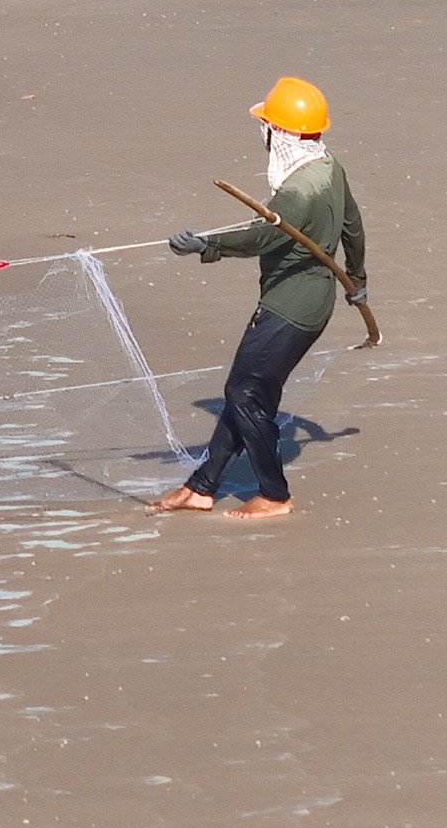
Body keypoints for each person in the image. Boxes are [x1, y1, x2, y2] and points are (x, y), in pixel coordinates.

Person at [152, 76, 367, 520]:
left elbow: (263, 236)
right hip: (316, 302)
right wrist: (358, 277)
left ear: (281, 134)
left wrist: (205, 245)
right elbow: (353, 226)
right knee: (250, 391)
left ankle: (274, 493)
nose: (263, 133)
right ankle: (201, 487)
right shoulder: (330, 168)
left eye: (267, 125)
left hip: (289, 309)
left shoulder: (296, 191)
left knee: (245, 392)